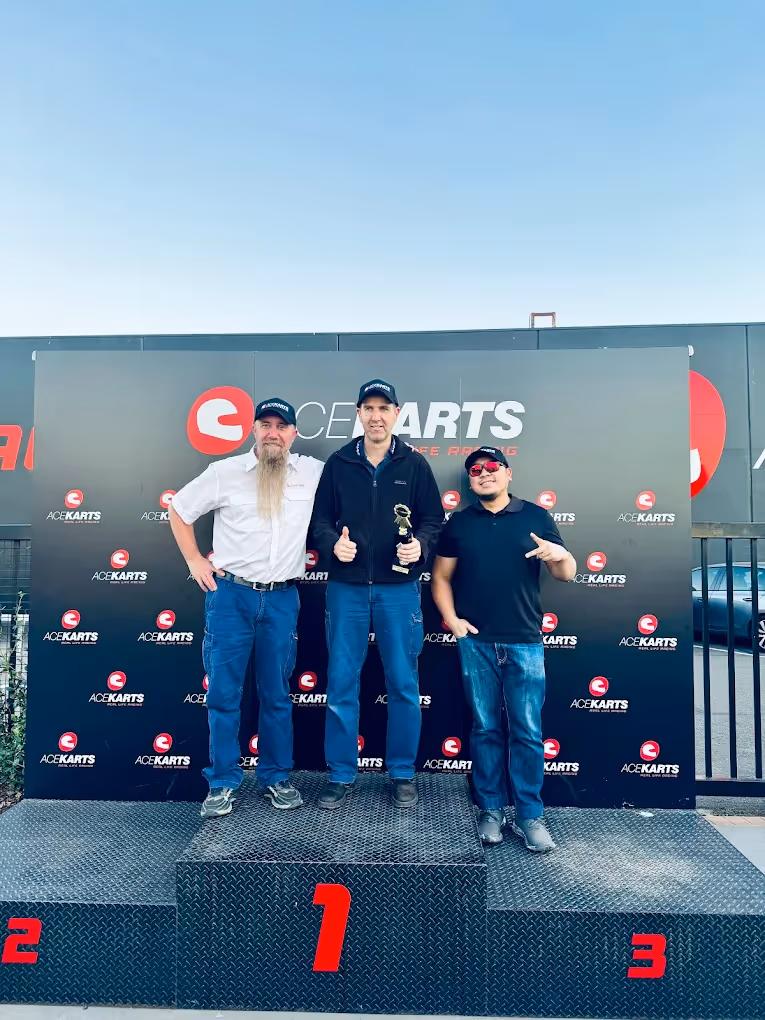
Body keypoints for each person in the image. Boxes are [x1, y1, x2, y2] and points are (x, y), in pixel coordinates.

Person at [169, 398, 323, 819]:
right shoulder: (225, 473)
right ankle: (221, 782)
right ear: (254, 429)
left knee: (276, 692)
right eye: (265, 424)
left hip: (281, 597)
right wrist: (195, 560)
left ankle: (276, 777)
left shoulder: (312, 472)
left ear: (293, 433)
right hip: (230, 596)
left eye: (281, 426)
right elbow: (179, 510)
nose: (273, 432)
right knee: (223, 692)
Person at [432, 447, 576, 851]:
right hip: (476, 643)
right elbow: (440, 578)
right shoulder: (460, 522)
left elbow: (566, 574)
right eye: (476, 470)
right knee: (485, 730)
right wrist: (454, 621)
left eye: (492, 467)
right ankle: (491, 810)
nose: (484, 474)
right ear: (470, 479)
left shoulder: (536, 517)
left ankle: (530, 815)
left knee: (528, 732)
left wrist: (560, 555)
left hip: (525, 642)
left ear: (508, 474)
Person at [310, 379, 444, 810]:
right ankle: (340, 773)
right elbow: (319, 521)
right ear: (359, 414)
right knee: (341, 682)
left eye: (383, 408)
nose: (376, 415)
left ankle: (402, 772)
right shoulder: (339, 463)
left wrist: (419, 544)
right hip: (346, 590)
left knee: (404, 683)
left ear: (396, 413)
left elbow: (433, 522)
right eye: (368, 408)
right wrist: (333, 544)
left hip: (399, 591)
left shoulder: (414, 464)